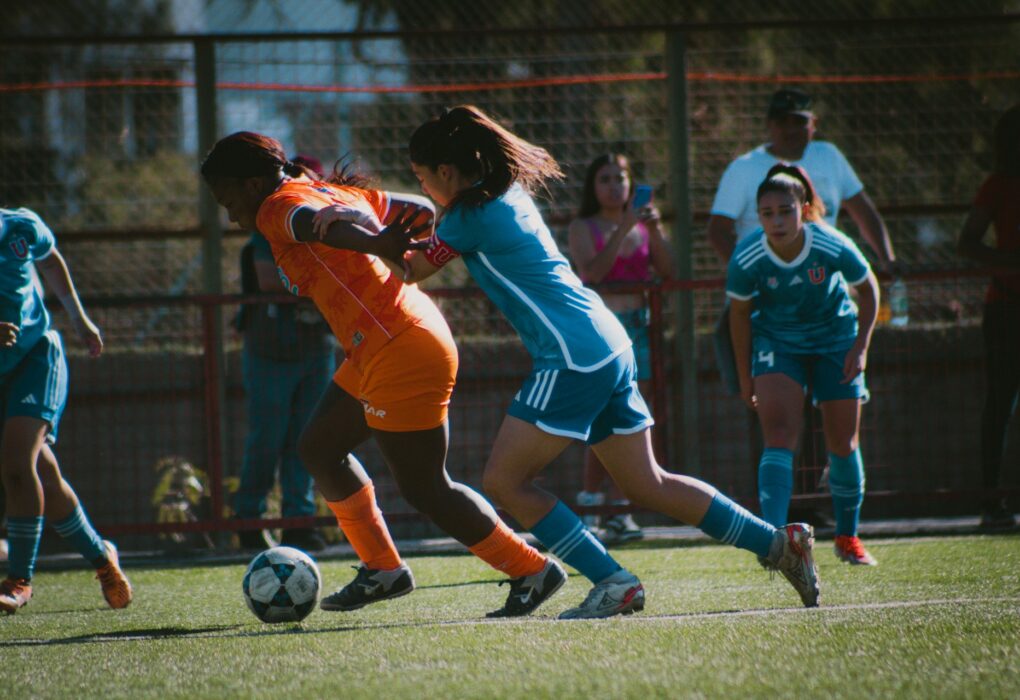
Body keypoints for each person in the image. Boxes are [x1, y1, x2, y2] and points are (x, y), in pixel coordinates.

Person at [314, 105, 822, 618]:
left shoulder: (468, 215)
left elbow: (411, 269)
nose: (425, 189)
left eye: (424, 178)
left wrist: (360, 226)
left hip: (571, 358)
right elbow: (432, 245)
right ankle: (781, 545)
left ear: (446, 172)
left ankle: (613, 580)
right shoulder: (507, 190)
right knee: (648, 482)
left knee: (504, 482)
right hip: (607, 342)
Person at [201, 132, 566, 618]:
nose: (230, 214)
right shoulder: (333, 192)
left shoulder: (275, 206)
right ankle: (384, 570)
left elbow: (315, 228)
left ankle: (532, 569)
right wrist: (379, 231)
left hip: (400, 348)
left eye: (228, 200)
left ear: (251, 184)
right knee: (319, 450)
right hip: (383, 344)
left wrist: (374, 239)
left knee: (426, 488)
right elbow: (418, 207)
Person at [707, 87, 899, 518]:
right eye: (783, 120)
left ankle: (836, 519)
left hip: (830, 319)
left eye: (801, 120)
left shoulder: (831, 223)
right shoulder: (745, 176)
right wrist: (762, 276)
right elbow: (718, 230)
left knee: (840, 437)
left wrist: (887, 260)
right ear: (769, 125)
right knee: (774, 422)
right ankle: (777, 523)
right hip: (771, 318)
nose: (793, 128)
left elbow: (864, 216)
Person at [727, 164, 880, 566]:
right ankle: (773, 541)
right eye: (767, 213)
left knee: (842, 443)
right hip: (779, 343)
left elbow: (869, 289)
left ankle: (848, 537)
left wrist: (860, 346)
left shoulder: (831, 244)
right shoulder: (747, 257)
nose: (777, 220)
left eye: (785, 210)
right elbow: (738, 316)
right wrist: (746, 378)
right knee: (778, 435)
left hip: (835, 340)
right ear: (757, 217)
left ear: (805, 209)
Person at [0, 206, 133, 613]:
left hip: (36, 359)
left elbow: (50, 257)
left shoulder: (19, 225)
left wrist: (78, 318)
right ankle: (101, 558)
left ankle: (19, 579)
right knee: (44, 476)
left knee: (18, 463)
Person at [567, 153, 673, 543]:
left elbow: (668, 270)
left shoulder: (643, 225)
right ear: (593, 187)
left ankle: (619, 509)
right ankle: (591, 504)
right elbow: (592, 272)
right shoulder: (582, 226)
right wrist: (624, 226)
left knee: (633, 420)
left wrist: (655, 231)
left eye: (621, 178)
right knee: (600, 417)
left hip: (640, 329)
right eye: (605, 179)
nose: (614, 186)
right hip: (601, 332)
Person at [234, 153, 337, 552]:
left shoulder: (330, 221)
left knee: (307, 436)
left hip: (316, 347)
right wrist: (317, 289)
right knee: (267, 436)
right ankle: (249, 517)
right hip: (270, 347)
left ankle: (299, 519)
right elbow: (267, 280)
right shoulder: (271, 221)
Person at [957, 103, 1020, 530]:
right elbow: (968, 242)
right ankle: (992, 502)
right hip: (1007, 309)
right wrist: (1009, 263)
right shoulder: (999, 185)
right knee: (1000, 404)